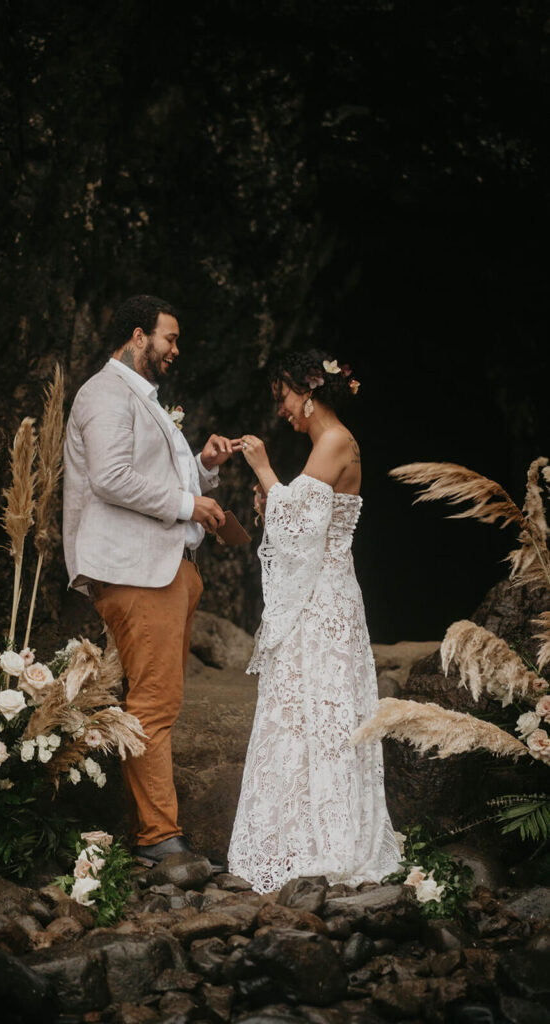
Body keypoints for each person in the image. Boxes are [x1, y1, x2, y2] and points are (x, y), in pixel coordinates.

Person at [63, 294, 241, 866]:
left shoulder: (142, 399)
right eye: (169, 338)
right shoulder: (105, 393)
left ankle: (154, 833)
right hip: (135, 571)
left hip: (165, 572)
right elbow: (112, 478)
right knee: (154, 704)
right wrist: (190, 503)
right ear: (138, 336)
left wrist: (204, 469)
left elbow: (155, 477)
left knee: (156, 700)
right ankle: (159, 840)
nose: (175, 349)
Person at [228, 350, 401, 893]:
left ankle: (329, 838)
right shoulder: (325, 446)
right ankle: (293, 836)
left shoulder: (334, 442)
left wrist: (261, 467)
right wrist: (272, 503)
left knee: (322, 710)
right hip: (321, 596)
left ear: (308, 389)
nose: (281, 411)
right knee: (299, 710)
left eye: (282, 398)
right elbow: (299, 522)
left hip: (324, 601)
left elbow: (299, 529)